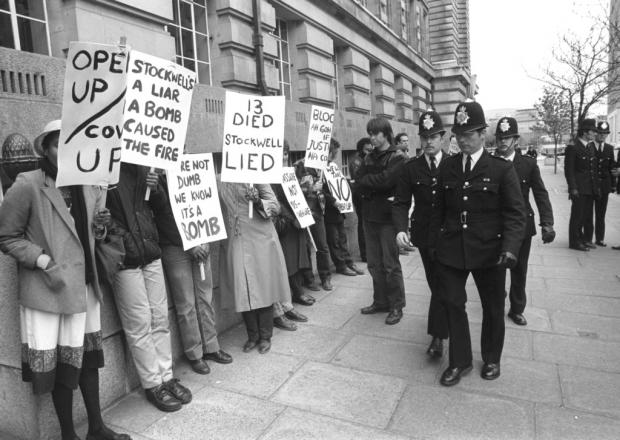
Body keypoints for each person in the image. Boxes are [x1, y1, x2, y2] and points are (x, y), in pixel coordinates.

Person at [0, 120, 131, 440]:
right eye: (59, 144)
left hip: (86, 287)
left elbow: (91, 236)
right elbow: (7, 236)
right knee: (60, 368)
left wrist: (100, 226)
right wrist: (43, 260)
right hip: (49, 290)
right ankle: (69, 435)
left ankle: (97, 428)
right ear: (45, 148)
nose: (67, 151)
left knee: (87, 360)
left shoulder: (88, 183)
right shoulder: (28, 183)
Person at [429, 101, 526, 386]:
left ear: (483, 134)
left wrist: (510, 248)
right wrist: (434, 243)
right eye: (459, 134)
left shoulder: (500, 169)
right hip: (452, 248)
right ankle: (460, 362)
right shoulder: (447, 167)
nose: (463, 139)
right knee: (453, 303)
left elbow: (515, 214)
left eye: (469, 134)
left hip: (490, 251)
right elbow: (438, 210)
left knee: (493, 306)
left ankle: (492, 357)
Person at [106, 163, 191, 412]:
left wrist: (156, 190)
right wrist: (122, 238)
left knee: (159, 318)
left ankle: (166, 377)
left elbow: (161, 209)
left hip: (151, 252)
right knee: (139, 324)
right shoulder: (101, 168)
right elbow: (97, 215)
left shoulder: (144, 166)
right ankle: (153, 384)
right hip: (124, 258)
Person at [151, 175, 233, 376]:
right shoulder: (157, 180)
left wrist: (205, 239)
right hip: (175, 247)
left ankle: (211, 346)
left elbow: (206, 206)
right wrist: (190, 245)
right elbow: (164, 217)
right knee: (186, 303)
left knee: (205, 297)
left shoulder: (196, 175)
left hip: (200, 242)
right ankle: (194, 353)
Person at [393, 110, 449, 357]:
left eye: (433, 136)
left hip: (451, 235)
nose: (428, 141)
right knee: (436, 283)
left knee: (443, 284)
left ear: (442, 137)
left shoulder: (454, 165)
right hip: (425, 236)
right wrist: (400, 229)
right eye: (424, 136)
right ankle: (444, 324)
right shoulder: (411, 168)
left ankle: (438, 336)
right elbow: (401, 202)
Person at [494, 117, 555, 326]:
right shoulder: (490, 163)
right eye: (500, 138)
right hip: (496, 225)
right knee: (496, 267)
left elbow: (540, 194)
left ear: (516, 140)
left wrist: (547, 222)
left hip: (521, 226)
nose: (502, 142)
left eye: (507, 138)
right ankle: (496, 301)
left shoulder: (527, 164)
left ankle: (517, 308)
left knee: (519, 269)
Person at [218, 182, 290, 354]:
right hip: (236, 240)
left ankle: (265, 336)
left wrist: (258, 200)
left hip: (260, 239)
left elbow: (275, 206)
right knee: (242, 289)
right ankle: (253, 336)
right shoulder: (221, 179)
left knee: (263, 287)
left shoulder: (256, 175)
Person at [357, 117, 407, 325]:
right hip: (370, 216)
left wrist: (369, 183)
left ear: (385, 134)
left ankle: (396, 305)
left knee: (390, 265)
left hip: (387, 218)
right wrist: (372, 184)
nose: (371, 138)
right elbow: (359, 181)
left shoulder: (397, 157)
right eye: (369, 134)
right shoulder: (369, 157)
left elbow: (387, 180)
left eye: (375, 134)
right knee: (374, 264)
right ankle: (380, 301)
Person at [271, 140, 311, 330]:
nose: (283, 158)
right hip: (284, 224)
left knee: (297, 260)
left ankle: (295, 294)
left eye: (286, 154)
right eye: (280, 154)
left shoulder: (291, 174)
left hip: (296, 222)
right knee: (286, 262)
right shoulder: (270, 176)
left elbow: (296, 197)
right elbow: (276, 201)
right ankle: (288, 301)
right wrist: (291, 218)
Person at [324, 138, 364, 277]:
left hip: (339, 210)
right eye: (332, 153)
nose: (333, 156)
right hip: (328, 210)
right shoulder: (318, 170)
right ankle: (341, 265)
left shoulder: (333, 167)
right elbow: (321, 192)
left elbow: (340, 184)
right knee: (334, 240)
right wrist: (333, 201)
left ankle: (349, 262)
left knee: (342, 237)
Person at [294, 156, 333, 291]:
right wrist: (310, 189)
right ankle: (309, 279)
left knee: (322, 245)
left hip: (318, 211)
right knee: (306, 247)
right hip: (304, 211)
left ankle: (325, 277)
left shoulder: (322, 165)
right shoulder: (300, 165)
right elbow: (293, 189)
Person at [564, 118, 599, 251]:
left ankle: (582, 238)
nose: (595, 134)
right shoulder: (573, 147)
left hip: (589, 188)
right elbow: (569, 170)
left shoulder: (590, 146)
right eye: (593, 131)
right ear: (585, 132)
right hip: (578, 188)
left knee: (585, 216)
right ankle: (574, 241)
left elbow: (592, 169)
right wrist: (573, 188)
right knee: (577, 216)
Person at [348, 137, 373, 262]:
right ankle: (365, 254)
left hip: (369, 196)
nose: (370, 151)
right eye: (368, 149)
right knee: (363, 225)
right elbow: (361, 179)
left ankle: (369, 251)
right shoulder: (356, 161)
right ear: (362, 148)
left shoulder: (367, 159)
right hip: (360, 196)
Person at [591, 121, 615, 247]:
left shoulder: (610, 149)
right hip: (591, 185)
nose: (602, 136)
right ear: (595, 133)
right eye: (600, 133)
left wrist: (613, 185)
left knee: (601, 214)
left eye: (605, 134)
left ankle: (599, 238)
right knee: (588, 214)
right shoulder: (589, 146)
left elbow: (611, 168)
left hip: (604, 186)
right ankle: (587, 238)